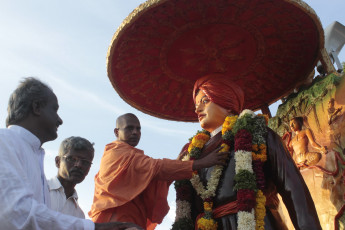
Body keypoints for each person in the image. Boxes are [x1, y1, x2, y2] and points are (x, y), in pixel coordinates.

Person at [173, 74, 322, 230]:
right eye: (196, 104)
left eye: (205, 101)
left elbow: (293, 189)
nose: (197, 109)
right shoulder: (191, 154)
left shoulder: (256, 133)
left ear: (227, 102)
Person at [0, 77, 142, 230]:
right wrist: (95, 228)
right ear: (36, 107)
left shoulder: (31, 154)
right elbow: (17, 215)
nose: (59, 120)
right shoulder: (5, 141)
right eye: (54, 109)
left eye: (86, 162)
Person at [89, 113, 229, 230]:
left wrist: (176, 164)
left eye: (138, 129)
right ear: (116, 132)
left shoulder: (133, 156)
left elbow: (153, 176)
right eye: (129, 128)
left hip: (134, 220)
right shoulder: (116, 152)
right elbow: (156, 167)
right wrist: (201, 163)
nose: (135, 132)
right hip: (114, 220)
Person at [48, 136, 95, 218]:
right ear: (58, 161)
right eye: (72, 159)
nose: (79, 165)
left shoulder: (79, 215)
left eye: (85, 162)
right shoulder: (38, 190)